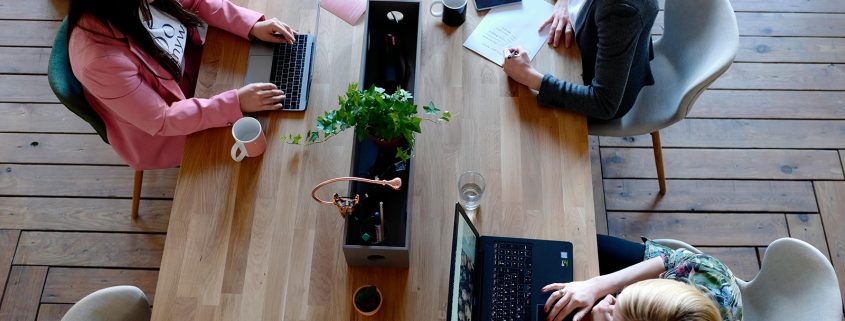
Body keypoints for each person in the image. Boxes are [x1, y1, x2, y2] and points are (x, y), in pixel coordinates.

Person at [68, 0, 297, 170]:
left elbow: (196, 2)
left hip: (201, 77)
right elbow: (163, 119)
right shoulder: (100, 62)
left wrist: (250, 25)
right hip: (168, 130)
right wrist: (235, 102)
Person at [502, 0, 659, 120]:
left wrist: (529, 76)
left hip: (600, 94)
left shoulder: (620, 11)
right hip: (589, 49)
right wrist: (566, 3)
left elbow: (604, 104)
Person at [540, 235, 742, 321]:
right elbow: (667, 259)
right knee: (584, 243)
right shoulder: (706, 271)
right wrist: (596, 285)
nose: (606, 305)